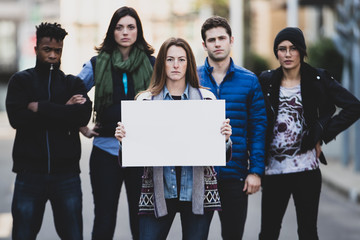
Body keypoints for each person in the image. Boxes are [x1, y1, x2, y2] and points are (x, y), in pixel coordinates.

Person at [115, 37, 232, 240]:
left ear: (189, 64)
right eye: (170, 59)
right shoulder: (145, 101)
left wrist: (224, 139)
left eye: (181, 59)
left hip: (198, 190)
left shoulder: (207, 100)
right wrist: (124, 141)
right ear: (162, 63)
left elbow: (220, 154)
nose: (176, 65)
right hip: (157, 189)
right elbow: (133, 155)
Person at [258, 27, 360, 240]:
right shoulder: (266, 80)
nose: (287, 54)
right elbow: (255, 118)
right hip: (274, 172)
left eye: (293, 48)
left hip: (307, 171)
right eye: (281, 49)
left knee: (307, 232)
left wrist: (320, 134)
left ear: (302, 51)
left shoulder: (317, 78)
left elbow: (353, 106)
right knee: (268, 233)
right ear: (276, 53)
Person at [5, 22, 92, 240]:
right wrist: (65, 111)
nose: (53, 55)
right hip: (29, 174)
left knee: (73, 236)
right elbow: (18, 119)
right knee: (23, 235)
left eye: (58, 50)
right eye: (47, 50)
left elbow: (81, 116)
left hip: (67, 175)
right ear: (36, 50)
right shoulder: (20, 81)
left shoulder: (73, 84)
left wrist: (40, 107)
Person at [77, 6, 155, 240]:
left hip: (142, 154)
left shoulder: (152, 64)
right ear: (112, 31)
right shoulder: (96, 63)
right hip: (105, 151)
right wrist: (83, 127)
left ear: (138, 31)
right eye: (119, 27)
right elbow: (73, 95)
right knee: (104, 218)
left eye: (131, 27)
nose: (125, 32)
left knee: (141, 220)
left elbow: (166, 102)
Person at [197, 16, 267, 239]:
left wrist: (255, 171)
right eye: (211, 40)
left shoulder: (249, 80)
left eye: (221, 38)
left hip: (235, 175)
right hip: (199, 176)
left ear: (231, 40)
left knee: (233, 235)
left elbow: (258, 128)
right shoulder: (192, 78)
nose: (217, 43)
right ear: (204, 45)